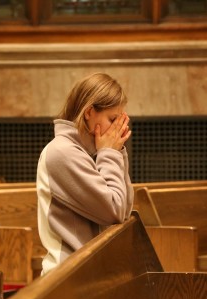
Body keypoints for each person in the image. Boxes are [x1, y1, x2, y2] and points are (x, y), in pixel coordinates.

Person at [36, 72, 134, 275]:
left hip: (89, 273)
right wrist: (109, 153)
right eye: (113, 119)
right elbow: (113, 211)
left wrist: (115, 152)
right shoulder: (61, 152)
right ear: (89, 112)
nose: (119, 128)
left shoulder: (92, 152)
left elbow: (123, 210)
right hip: (66, 276)